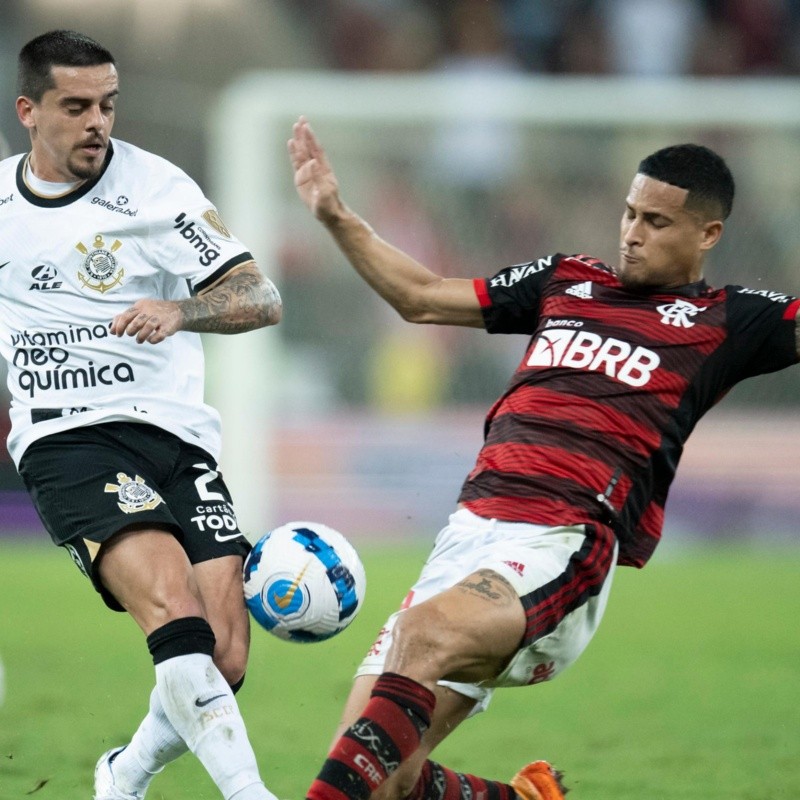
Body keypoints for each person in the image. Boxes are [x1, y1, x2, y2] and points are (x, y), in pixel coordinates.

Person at [288, 116, 800, 800]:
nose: (631, 232)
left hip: (560, 540)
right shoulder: (567, 280)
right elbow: (421, 297)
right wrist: (334, 213)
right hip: (465, 537)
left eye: (655, 221)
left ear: (708, 235)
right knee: (384, 776)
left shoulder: (729, 319)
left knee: (420, 635)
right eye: (628, 212)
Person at [0, 30, 283, 800]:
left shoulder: (160, 191)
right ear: (29, 110)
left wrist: (181, 309)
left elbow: (261, 296)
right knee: (172, 605)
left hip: (176, 433)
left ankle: (121, 778)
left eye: (108, 105)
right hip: (66, 437)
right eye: (77, 106)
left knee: (222, 659)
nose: (98, 122)